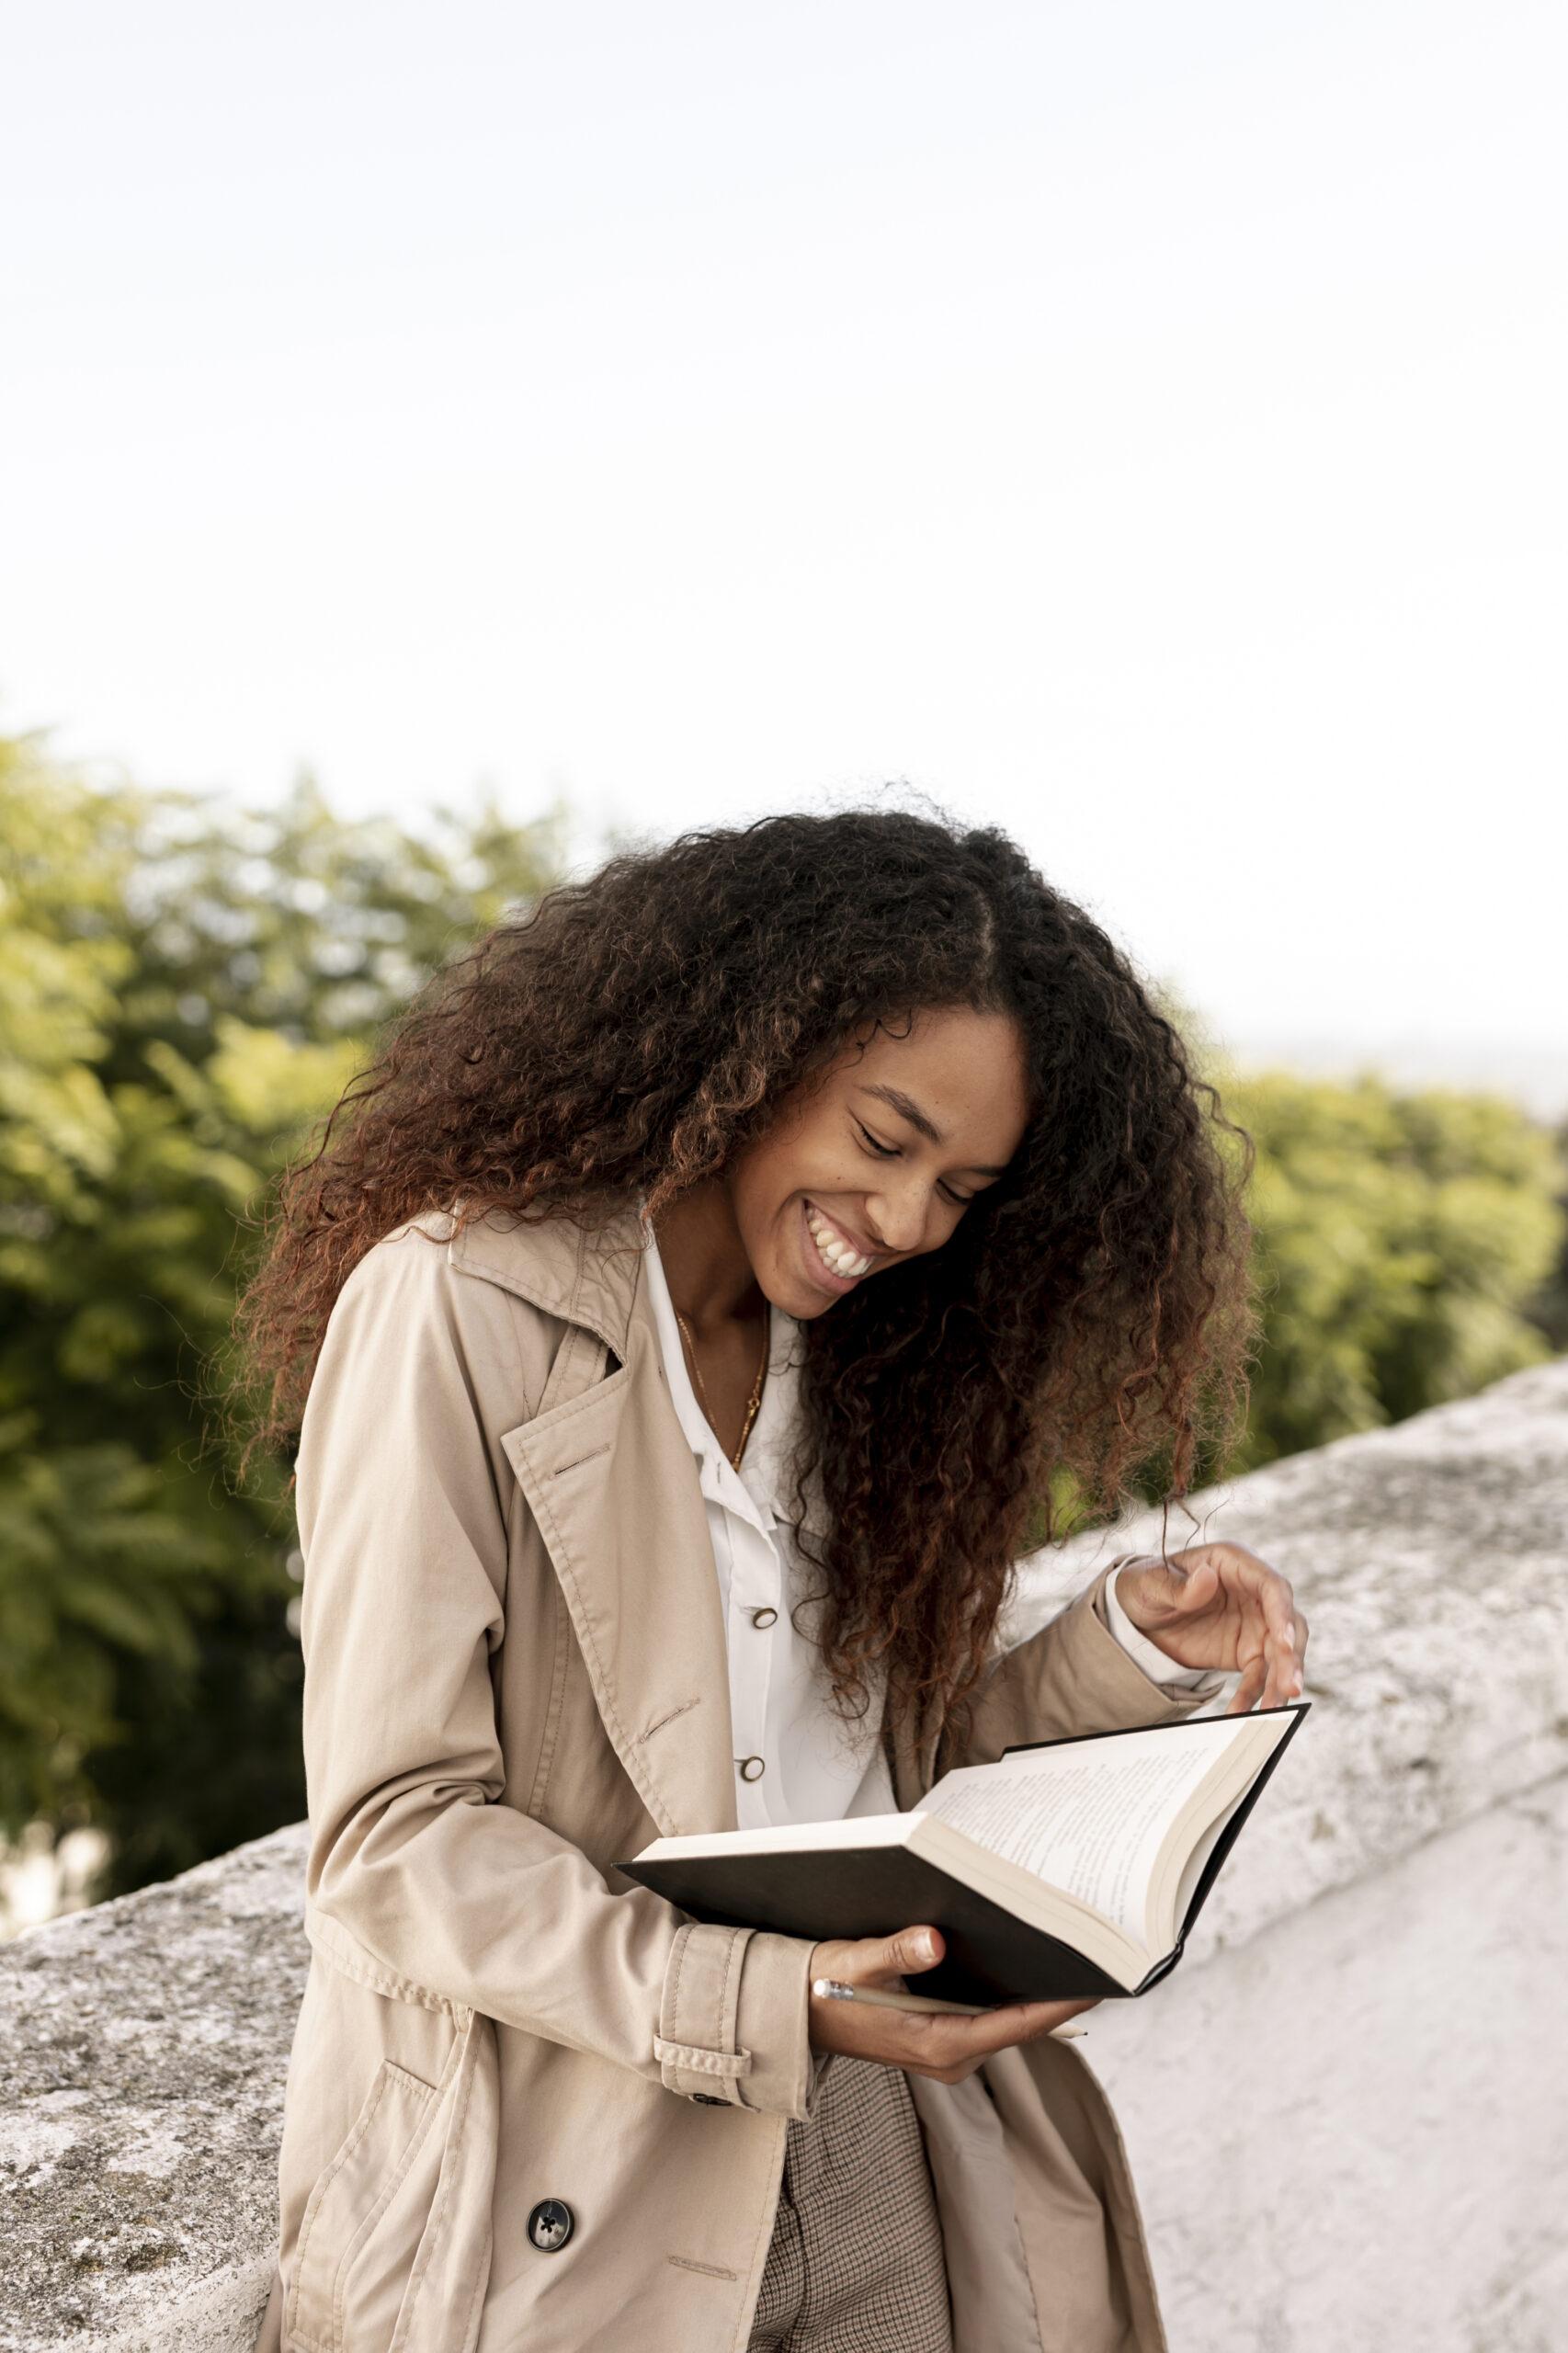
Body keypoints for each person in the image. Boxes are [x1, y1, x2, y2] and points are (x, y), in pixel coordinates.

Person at [246, 810, 1306, 2353]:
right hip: (573, 2167)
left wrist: (1115, 1650)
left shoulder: (868, 1364)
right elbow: (392, 1842)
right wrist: (766, 2001)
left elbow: (871, 1798)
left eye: (963, 1188)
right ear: (750, 1053)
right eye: (884, 1140)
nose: (905, 1225)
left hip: (885, 2140)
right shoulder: (456, 1304)